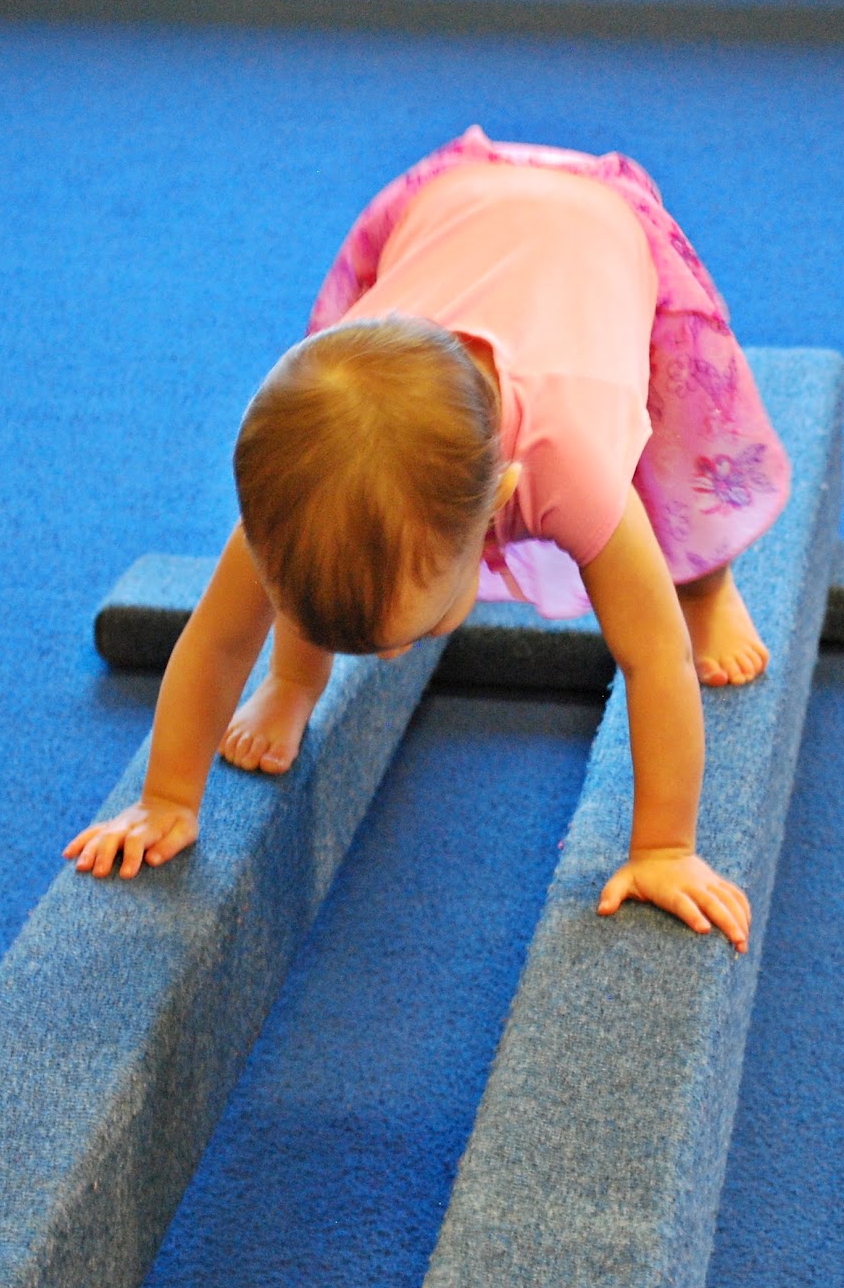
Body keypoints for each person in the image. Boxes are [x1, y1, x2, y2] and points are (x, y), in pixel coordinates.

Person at [65, 127, 791, 954]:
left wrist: (663, 846)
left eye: (401, 632)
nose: (382, 660)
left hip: (593, 233)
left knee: (684, 477)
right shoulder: (300, 483)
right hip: (450, 209)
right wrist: (166, 799)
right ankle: (296, 681)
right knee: (336, 527)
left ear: (501, 509)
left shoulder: (574, 460)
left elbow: (650, 659)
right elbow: (221, 635)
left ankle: (710, 589)